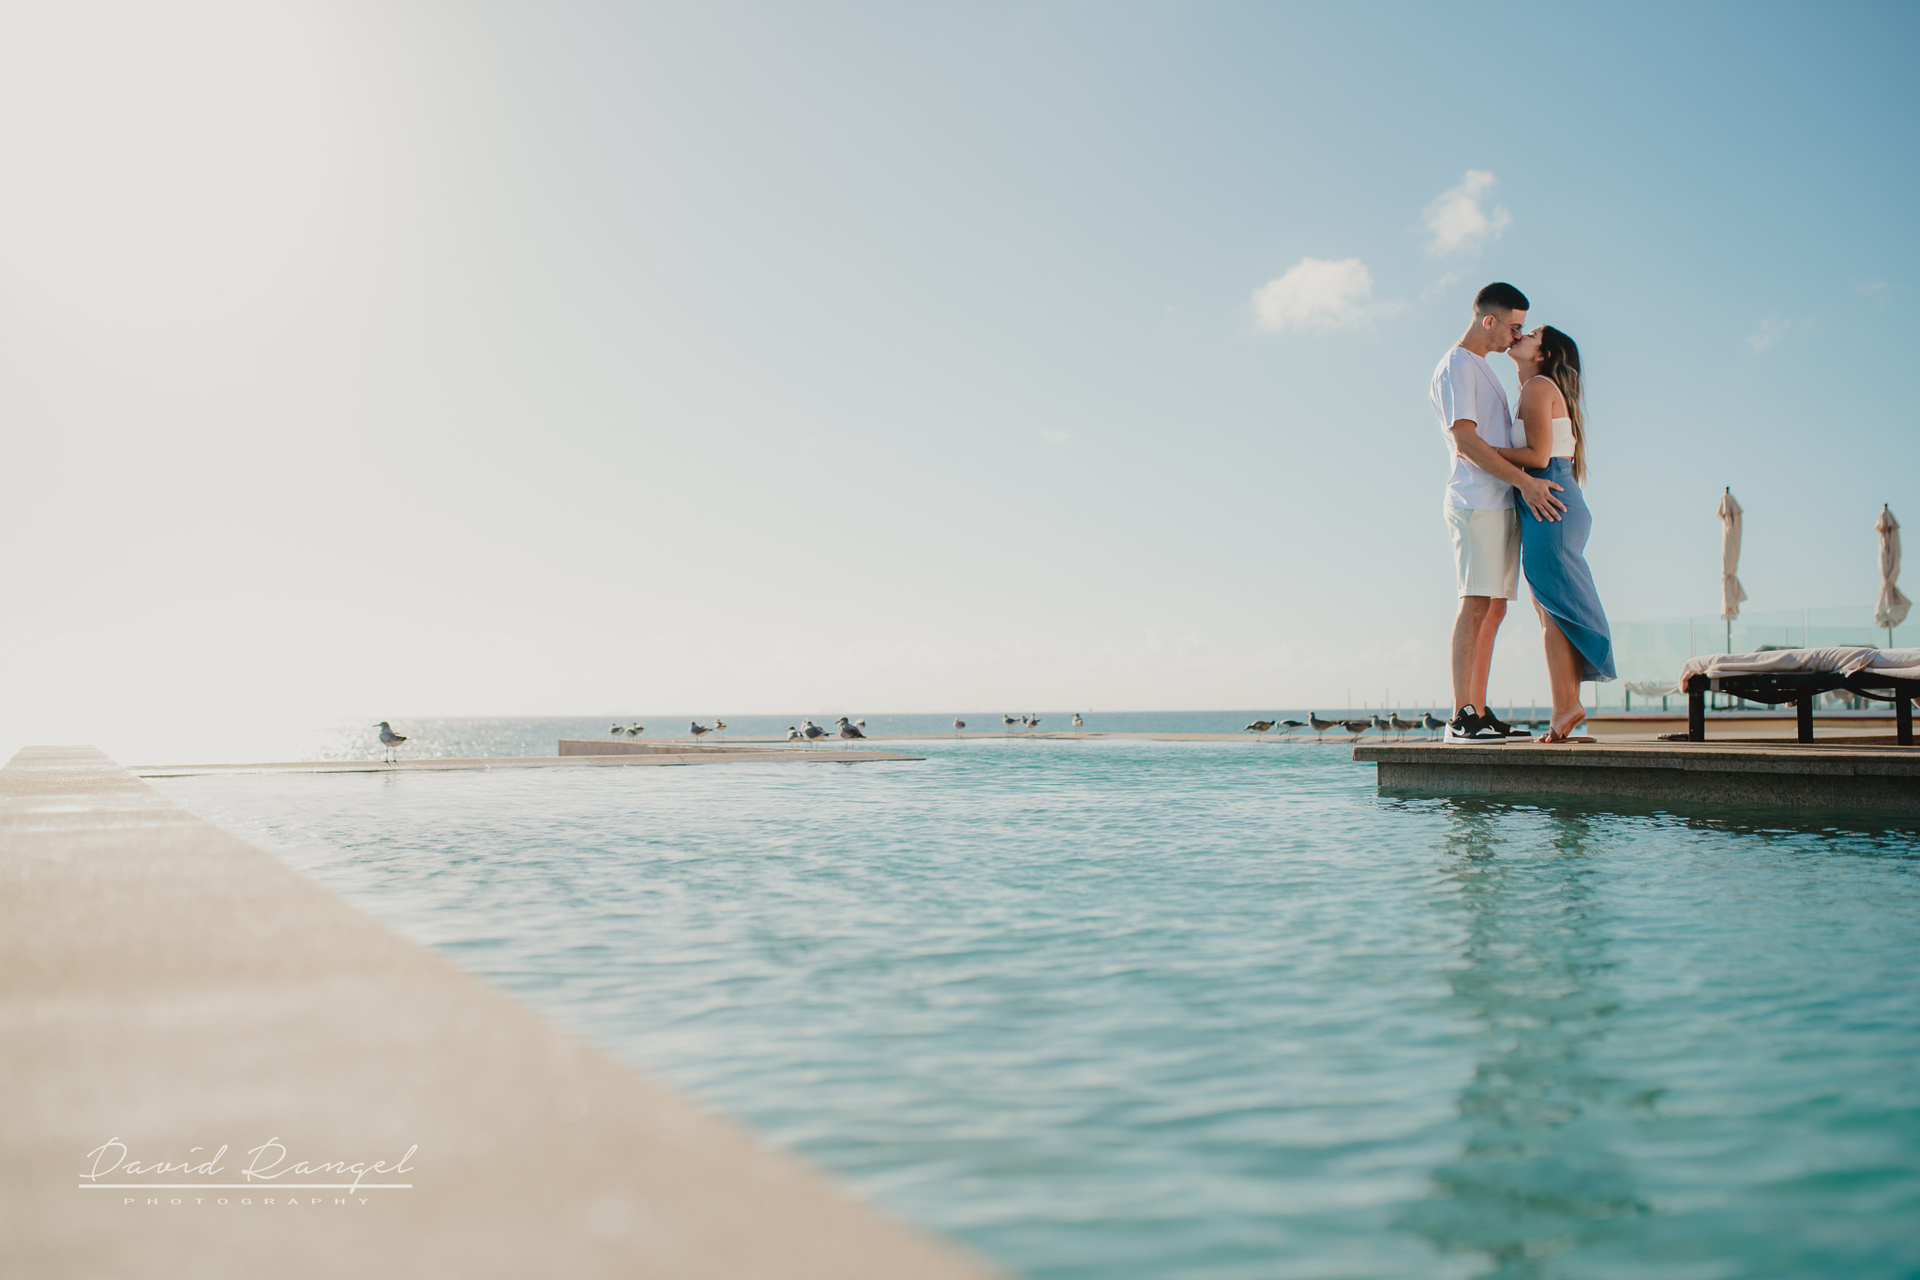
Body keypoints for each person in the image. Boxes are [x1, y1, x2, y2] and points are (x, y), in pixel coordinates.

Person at [1430, 283, 1567, 744]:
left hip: (1500, 501)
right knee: (1474, 604)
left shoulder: (1482, 367)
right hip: (1475, 502)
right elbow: (1465, 441)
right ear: (1489, 320)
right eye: (1514, 326)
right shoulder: (1456, 365)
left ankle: (1479, 711)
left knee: (1493, 609)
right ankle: (1460, 717)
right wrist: (1526, 482)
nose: (1518, 336)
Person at [1495, 325, 1615, 741]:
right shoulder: (1535, 389)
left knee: (1552, 610)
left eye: (1531, 334)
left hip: (1549, 497)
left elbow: (1537, 455)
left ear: (1543, 354)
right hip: (1552, 499)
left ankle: (1566, 706)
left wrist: (1480, 449)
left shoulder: (1537, 387)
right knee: (1550, 610)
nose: (1520, 335)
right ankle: (1566, 705)